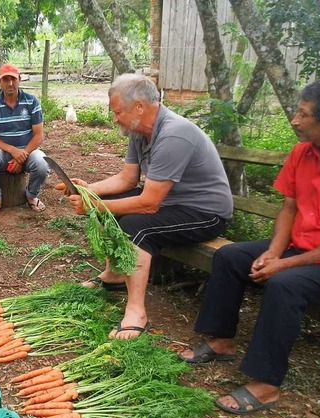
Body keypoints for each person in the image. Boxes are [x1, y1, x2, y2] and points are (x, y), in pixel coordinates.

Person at [179, 78, 320, 415]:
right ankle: (220, 341)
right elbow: (289, 208)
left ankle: (265, 385)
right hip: (301, 248)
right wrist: (275, 251)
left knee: (284, 285)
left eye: (304, 115)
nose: (295, 120)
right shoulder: (302, 153)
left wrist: (284, 265)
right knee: (231, 256)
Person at [63, 73, 232, 340]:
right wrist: (89, 189)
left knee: (135, 225)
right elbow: (127, 179)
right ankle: (115, 274)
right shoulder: (140, 131)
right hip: (172, 202)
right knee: (114, 209)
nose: (115, 118)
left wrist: (97, 205)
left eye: (118, 112)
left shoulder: (175, 134)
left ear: (139, 106)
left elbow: (149, 203)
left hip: (204, 213)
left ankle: (136, 313)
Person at [0, 63, 49, 217]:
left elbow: (39, 135)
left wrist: (21, 155)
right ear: (0, 82)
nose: (10, 83)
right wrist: (13, 151)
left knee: (43, 162)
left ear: (20, 79)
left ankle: (31, 195)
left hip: (27, 151)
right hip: (4, 153)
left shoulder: (32, 102)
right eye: (6, 79)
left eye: (13, 79)